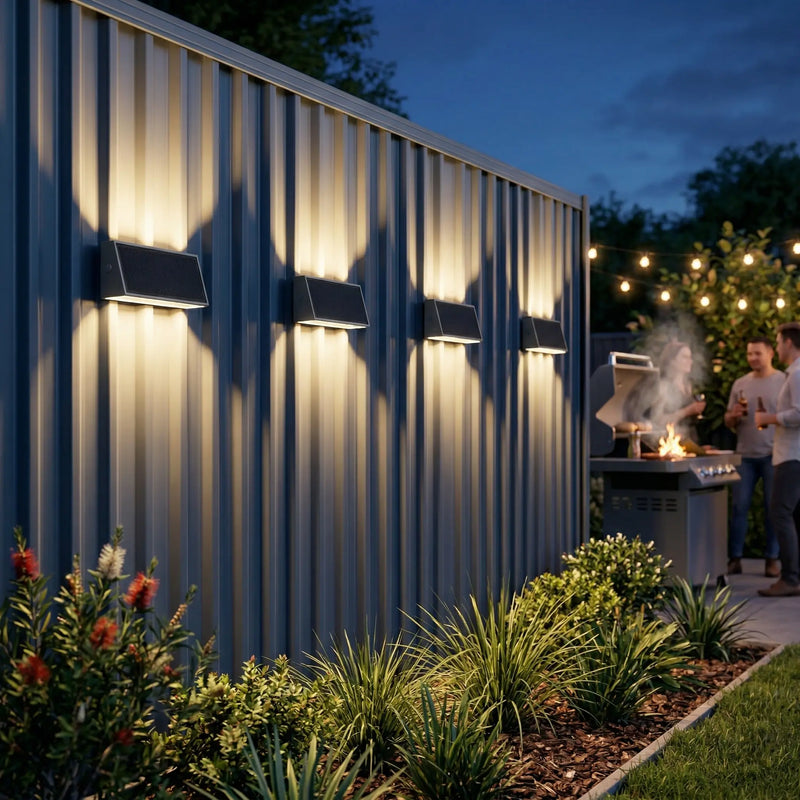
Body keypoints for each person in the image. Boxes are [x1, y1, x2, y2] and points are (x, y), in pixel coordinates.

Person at [724, 336, 785, 577]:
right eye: (749, 354)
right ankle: (735, 558)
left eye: (757, 353)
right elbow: (728, 420)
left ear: (770, 352)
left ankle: (772, 560)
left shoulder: (783, 381)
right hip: (745, 456)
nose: (752, 358)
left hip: (773, 454)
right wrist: (733, 416)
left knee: (773, 509)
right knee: (739, 508)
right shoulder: (741, 383)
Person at [755, 322, 800, 597]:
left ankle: (790, 579)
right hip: (792, 454)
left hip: (791, 456)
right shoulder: (794, 373)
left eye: (778, 341)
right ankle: (795, 575)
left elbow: (799, 413)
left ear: (787, 343)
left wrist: (769, 418)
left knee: (780, 514)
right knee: (793, 515)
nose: (777, 345)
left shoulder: (796, 374)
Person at [651, 340, 707, 451]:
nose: (690, 361)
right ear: (672, 360)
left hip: (691, 442)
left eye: (690, 357)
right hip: (672, 445)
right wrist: (687, 411)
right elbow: (657, 420)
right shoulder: (664, 386)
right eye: (684, 357)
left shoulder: (688, 385)